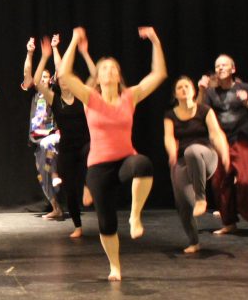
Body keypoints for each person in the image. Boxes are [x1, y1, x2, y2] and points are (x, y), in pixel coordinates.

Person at [58, 27, 166, 281]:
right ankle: (115, 267)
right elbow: (64, 73)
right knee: (106, 225)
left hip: (125, 159)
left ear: (119, 75)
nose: (109, 71)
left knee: (143, 165)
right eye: (104, 68)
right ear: (98, 76)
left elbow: (159, 74)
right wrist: (73, 40)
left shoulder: (130, 97)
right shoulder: (90, 98)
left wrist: (155, 40)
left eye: (113, 67)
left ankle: (135, 216)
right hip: (99, 167)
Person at [198, 55, 248, 238]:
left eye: (224, 65)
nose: (220, 68)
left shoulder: (245, 89)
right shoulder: (211, 93)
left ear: (233, 69)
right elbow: (197, 116)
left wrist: (247, 103)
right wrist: (201, 91)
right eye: (217, 66)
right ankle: (229, 223)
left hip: (240, 141)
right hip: (220, 143)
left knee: (246, 180)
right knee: (219, 182)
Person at [36, 33, 97, 238]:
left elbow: (95, 75)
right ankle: (78, 226)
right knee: (69, 187)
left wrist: (85, 53)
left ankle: (88, 186)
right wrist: (44, 57)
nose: (63, 81)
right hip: (68, 148)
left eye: (66, 78)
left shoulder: (82, 95)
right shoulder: (54, 99)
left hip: (86, 144)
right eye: (59, 79)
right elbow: (37, 82)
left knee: (89, 154)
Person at [163, 76, 230, 254]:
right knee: (183, 202)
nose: (184, 89)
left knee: (192, 150)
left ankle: (201, 198)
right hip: (183, 162)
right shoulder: (170, 115)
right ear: (175, 94)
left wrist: (224, 153)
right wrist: (171, 153)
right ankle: (194, 241)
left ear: (193, 91)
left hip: (206, 157)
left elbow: (216, 134)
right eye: (179, 87)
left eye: (187, 86)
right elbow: (169, 137)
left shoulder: (204, 110)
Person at [22, 37, 63, 219]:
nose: (45, 80)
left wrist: (54, 49)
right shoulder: (34, 92)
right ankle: (56, 208)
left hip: (52, 135)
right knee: (41, 176)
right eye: (43, 77)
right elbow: (28, 74)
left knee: (50, 144)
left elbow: (61, 72)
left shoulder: (54, 92)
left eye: (48, 77)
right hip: (36, 140)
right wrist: (30, 53)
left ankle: (55, 173)